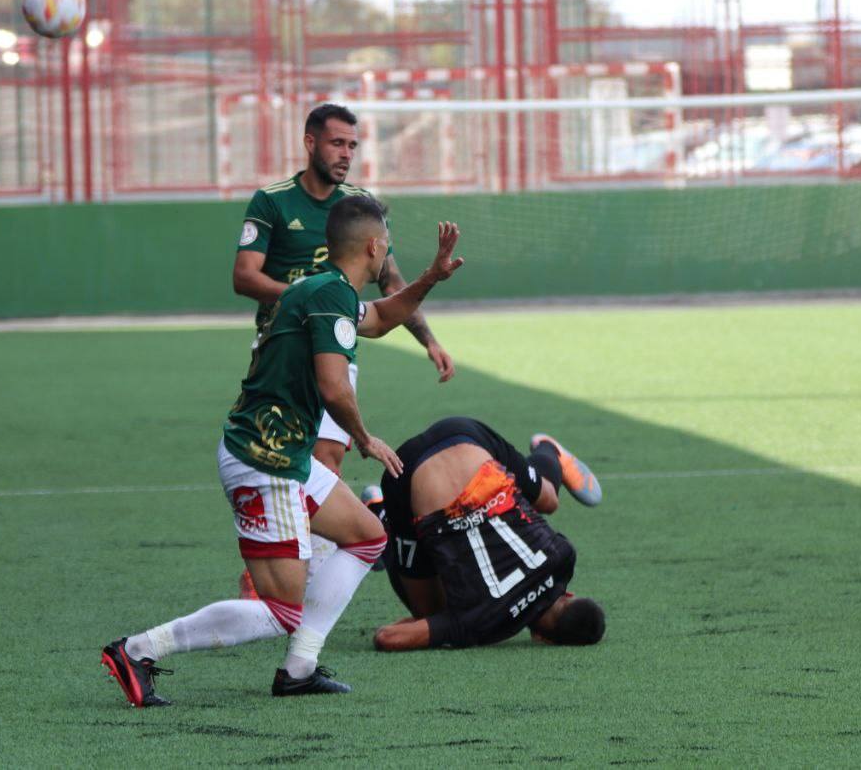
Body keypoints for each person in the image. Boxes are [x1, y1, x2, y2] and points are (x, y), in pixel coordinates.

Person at [102, 198, 464, 707]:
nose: (389, 250)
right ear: (374, 246)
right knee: (279, 611)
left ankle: (299, 668)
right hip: (262, 461)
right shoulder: (328, 295)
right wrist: (365, 439)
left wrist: (430, 277)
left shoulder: (323, 289)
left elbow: (381, 317)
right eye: (389, 243)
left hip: (284, 456)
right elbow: (334, 388)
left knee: (366, 537)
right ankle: (137, 650)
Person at [231, 102, 455, 594]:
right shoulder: (272, 201)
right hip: (282, 350)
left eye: (353, 145)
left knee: (327, 457)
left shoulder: (359, 204)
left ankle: (302, 570)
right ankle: (281, 552)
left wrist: (428, 339)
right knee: (280, 453)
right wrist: (306, 298)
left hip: (335, 347)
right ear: (310, 142)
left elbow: (390, 284)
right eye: (337, 143)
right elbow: (243, 276)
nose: (346, 154)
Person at [365, 417, 605, 652]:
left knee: (549, 500)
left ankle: (549, 450)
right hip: (403, 472)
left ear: (569, 594)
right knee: (430, 614)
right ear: (542, 638)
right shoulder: (479, 622)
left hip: (465, 433)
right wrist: (440, 627)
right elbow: (387, 638)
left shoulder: (564, 557)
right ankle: (380, 515)